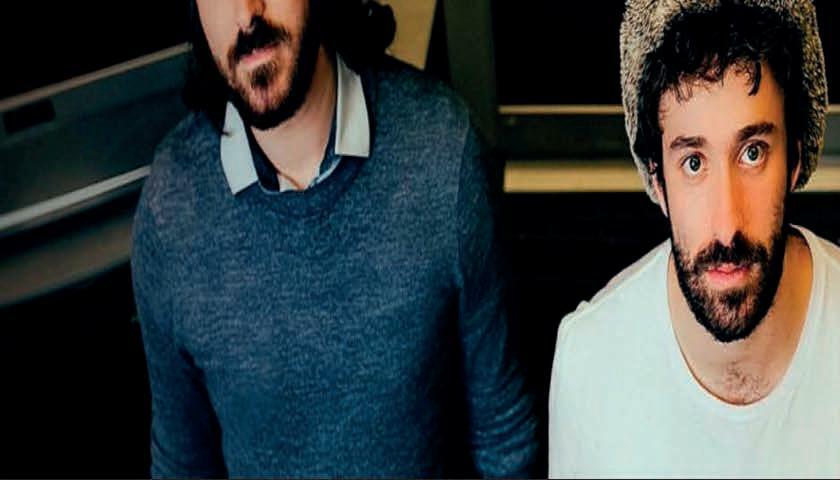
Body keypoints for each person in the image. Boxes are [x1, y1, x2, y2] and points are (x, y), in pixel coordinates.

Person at [131, 0, 536, 476]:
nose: (246, 14)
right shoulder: (170, 209)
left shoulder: (444, 152)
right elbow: (181, 466)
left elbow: (506, 440)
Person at [547, 0, 840, 477]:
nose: (727, 225)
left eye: (753, 153)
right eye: (694, 163)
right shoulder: (588, 366)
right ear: (657, 181)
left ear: (795, 160)